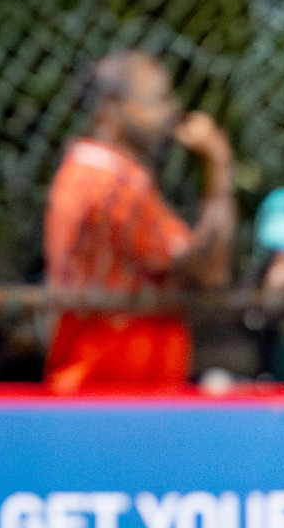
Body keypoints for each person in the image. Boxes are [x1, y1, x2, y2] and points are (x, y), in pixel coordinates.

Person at [43, 50, 237, 391]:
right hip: (111, 397)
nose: (170, 112)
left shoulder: (86, 174)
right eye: (155, 100)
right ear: (112, 108)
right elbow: (206, 271)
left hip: (119, 396)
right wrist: (219, 168)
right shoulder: (110, 185)